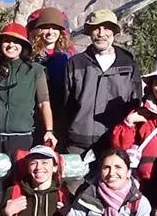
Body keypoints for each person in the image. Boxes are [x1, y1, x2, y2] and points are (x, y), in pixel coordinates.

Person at [0, 22, 57, 207]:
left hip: (21, 137)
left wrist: (49, 130)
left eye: (16, 42)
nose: (11, 45)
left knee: (19, 183)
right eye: (6, 41)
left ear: (24, 46)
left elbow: (43, 102)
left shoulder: (35, 71)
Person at [60, 9, 140, 157]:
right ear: (89, 32)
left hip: (114, 143)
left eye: (107, 28)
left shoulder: (128, 64)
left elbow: (135, 103)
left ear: (114, 31)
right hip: (77, 143)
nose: (101, 33)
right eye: (96, 28)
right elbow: (65, 105)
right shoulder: (75, 63)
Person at [29, 6, 75, 108]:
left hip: (63, 107)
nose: (50, 32)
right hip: (36, 108)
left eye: (55, 28)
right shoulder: (30, 56)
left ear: (61, 31)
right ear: (39, 30)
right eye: (46, 27)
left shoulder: (69, 56)